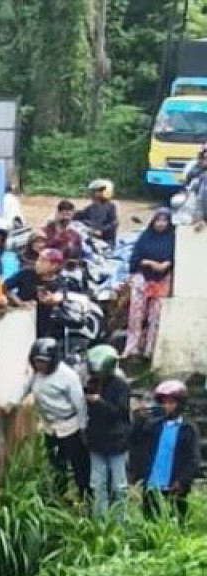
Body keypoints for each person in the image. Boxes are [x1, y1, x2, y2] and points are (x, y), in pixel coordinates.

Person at [27, 338, 88, 498]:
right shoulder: (37, 374)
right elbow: (27, 387)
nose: (39, 365)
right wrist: (12, 403)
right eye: (36, 361)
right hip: (50, 427)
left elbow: (80, 404)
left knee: (78, 464)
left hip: (70, 426)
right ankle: (59, 496)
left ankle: (84, 496)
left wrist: (83, 428)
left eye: (43, 362)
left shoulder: (68, 377)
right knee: (56, 464)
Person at [132, 379, 200, 520]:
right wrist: (139, 420)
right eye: (164, 403)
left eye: (171, 403)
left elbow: (193, 459)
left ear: (180, 404)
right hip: (152, 485)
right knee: (150, 521)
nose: (167, 406)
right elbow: (134, 441)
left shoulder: (188, 429)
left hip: (174, 486)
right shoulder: (153, 426)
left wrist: (182, 481)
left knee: (176, 521)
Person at [83, 344, 130, 520]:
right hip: (96, 442)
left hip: (116, 443)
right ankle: (100, 521)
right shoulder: (92, 383)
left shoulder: (121, 386)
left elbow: (119, 413)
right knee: (97, 484)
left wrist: (99, 402)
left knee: (119, 486)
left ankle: (120, 521)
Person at [125, 207, 175, 359]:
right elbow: (135, 258)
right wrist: (149, 263)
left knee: (155, 316)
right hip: (142, 277)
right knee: (136, 315)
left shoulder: (172, 239)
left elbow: (174, 257)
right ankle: (132, 348)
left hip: (162, 279)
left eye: (164, 220)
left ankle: (149, 349)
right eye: (158, 220)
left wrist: (166, 264)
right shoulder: (145, 237)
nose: (161, 224)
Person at [5, 248, 66, 337]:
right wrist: (19, 303)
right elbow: (5, 287)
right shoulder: (26, 273)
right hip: (19, 321)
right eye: (38, 259)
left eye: (42, 261)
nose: (37, 263)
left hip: (42, 325)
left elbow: (60, 295)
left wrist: (52, 299)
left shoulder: (59, 281)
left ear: (54, 265)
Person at [75, 179, 118, 246]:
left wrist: (101, 230)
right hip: (91, 237)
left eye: (94, 191)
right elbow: (80, 215)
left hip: (105, 242)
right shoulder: (91, 207)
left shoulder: (111, 207)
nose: (91, 194)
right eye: (92, 191)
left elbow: (113, 223)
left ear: (104, 191)